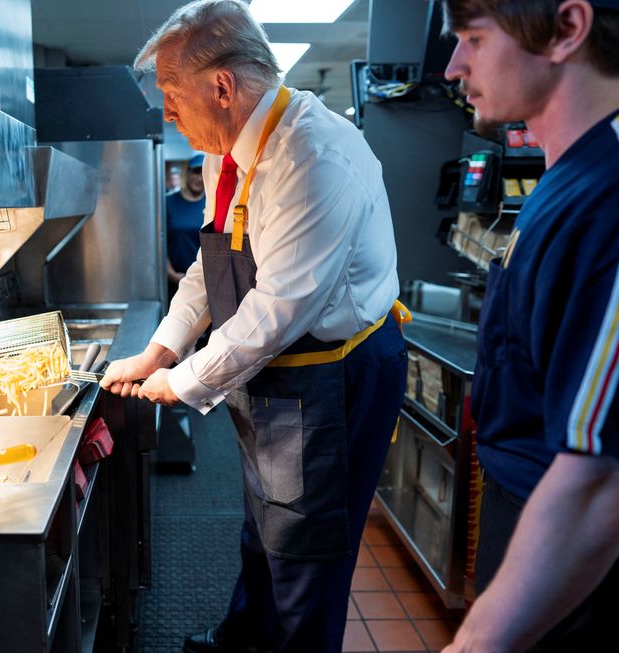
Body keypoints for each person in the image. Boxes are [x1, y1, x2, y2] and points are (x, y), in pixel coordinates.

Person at [100, 2, 408, 651]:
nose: (166, 112)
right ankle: (244, 639)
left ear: (220, 86)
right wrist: (160, 351)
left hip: (331, 373)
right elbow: (208, 271)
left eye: (170, 93)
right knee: (262, 524)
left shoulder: (314, 158)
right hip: (271, 369)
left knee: (306, 549)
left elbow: (275, 312)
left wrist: (182, 382)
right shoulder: (224, 151)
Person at [440, 1, 619, 651]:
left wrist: (475, 643)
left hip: (589, 573)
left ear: (568, 28)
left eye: (474, 38)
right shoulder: (574, 173)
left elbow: (608, 475)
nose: (453, 66)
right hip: (539, 540)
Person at [166, 153, 207, 297]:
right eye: (195, 172)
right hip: (175, 280)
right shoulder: (168, 203)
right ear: (187, 173)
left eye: (203, 173)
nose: (199, 178)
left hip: (206, 282)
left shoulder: (213, 204)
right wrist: (171, 274)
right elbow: (159, 242)